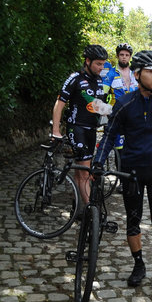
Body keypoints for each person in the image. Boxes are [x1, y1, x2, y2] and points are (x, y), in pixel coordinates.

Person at [93, 50, 152, 291]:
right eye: (151, 72)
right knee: (133, 220)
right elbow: (109, 135)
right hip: (131, 170)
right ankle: (138, 264)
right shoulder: (124, 103)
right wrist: (98, 161)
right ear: (138, 74)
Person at [51, 44, 111, 205]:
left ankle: (79, 206)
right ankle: (91, 210)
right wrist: (55, 130)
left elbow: (96, 104)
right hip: (76, 127)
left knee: (82, 171)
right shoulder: (75, 78)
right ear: (87, 61)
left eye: (103, 63)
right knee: (85, 173)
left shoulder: (98, 80)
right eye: (98, 63)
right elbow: (60, 103)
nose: (101, 67)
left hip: (91, 129)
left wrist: (113, 113)